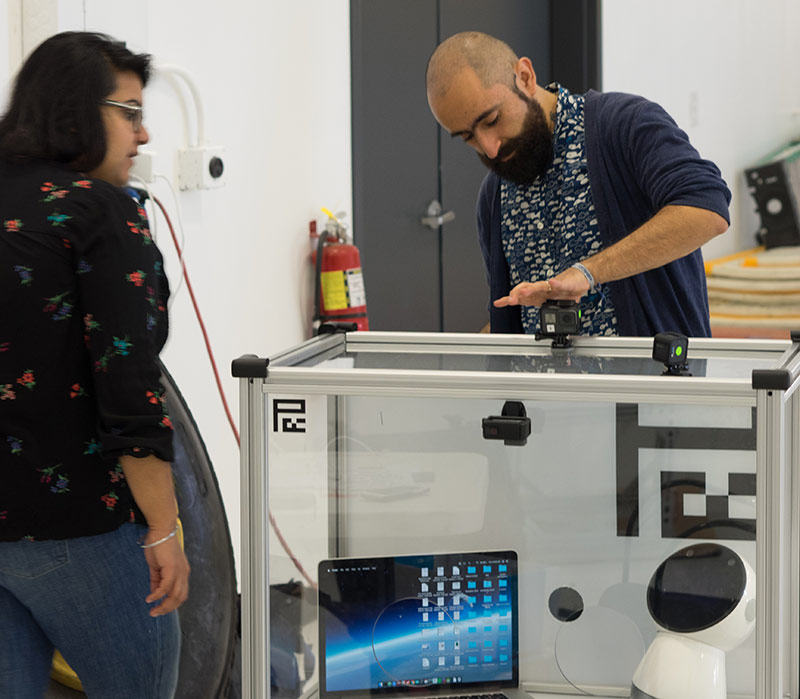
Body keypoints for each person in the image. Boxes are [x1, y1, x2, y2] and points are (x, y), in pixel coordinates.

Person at [0, 31, 189, 697]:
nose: (143, 135)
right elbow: (129, 386)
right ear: (78, 108)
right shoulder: (101, 211)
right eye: (130, 112)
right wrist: (163, 529)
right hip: (79, 525)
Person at [426, 32, 731, 337]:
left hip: (652, 368)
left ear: (525, 77)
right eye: (468, 137)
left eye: (493, 120)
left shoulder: (624, 124)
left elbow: (707, 208)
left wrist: (588, 272)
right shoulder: (493, 195)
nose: (489, 148)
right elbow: (513, 321)